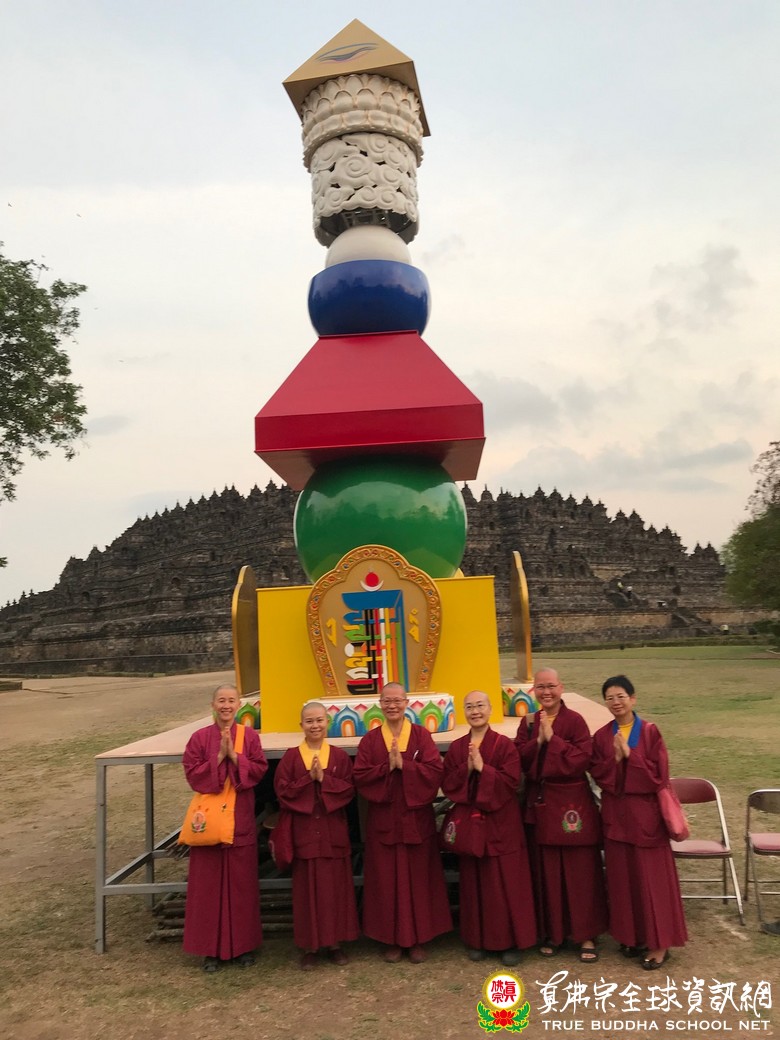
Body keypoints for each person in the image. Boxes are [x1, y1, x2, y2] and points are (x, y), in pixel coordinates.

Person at [590, 674, 688, 970]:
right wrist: (615, 760)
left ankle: (659, 944)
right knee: (622, 880)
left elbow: (659, 776)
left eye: (621, 696)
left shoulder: (649, 732)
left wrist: (630, 757)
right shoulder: (601, 736)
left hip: (646, 818)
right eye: (610, 698)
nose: (616, 702)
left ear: (633, 699)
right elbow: (598, 773)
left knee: (652, 882)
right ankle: (630, 937)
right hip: (616, 817)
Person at [353, 682, 452, 962]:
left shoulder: (421, 736)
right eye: (387, 701)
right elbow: (361, 776)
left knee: (419, 879)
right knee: (385, 881)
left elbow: (435, 772)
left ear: (407, 703)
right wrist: (387, 767)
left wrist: (404, 766)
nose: (392, 705)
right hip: (384, 821)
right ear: (380, 705)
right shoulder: (371, 740)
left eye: (397, 700)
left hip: (415, 820)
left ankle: (418, 937)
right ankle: (392, 938)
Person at [515, 668, 607, 962]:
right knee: (547, 872)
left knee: (581, 872)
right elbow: (519, 759)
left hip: (571, 804)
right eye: (540, 687)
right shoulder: (529, 722)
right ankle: (552, 933)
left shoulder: (575, 720)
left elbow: (582, 759)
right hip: (541, 801)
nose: (546, 692)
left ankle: (586, 935)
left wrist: (553, 741)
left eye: (551, 686)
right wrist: (538, 741)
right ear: (534, 691)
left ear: (561, 688)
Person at [442, 690, 537, 965]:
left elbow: (512, 783)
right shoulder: (458, 747)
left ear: (490, 708)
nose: (475, 711)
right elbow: (448, 783)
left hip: (501, 823)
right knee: (474, 882)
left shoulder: (504, 745)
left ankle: (510, 943)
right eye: (469, 707)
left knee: (506, 882)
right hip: (472, 825)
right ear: (464, 712)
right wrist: (467, 769)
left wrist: (484, 769)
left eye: (480, 706)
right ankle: (478, 940)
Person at [182, 683, 268, 972]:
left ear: (239, 705)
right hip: (208, 821)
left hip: (239, 818)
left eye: (231, 700)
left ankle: (242, 947)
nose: (226, 706)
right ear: (213, 705)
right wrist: (218, 757)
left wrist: (235, 757)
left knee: (241, 885)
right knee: (208, 887)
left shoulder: (249, 736)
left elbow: (259, 770)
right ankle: (211, 950)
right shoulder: (199, 738)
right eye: (221, 700)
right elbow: (192, 775)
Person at [274, 700, 359, 970]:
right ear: (301, 725)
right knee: (306, 893)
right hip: (305, 834)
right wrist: (307, 780)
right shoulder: (291, 757)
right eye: (309, 721)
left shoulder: (339, 756)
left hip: (332, 833)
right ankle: (310, 947)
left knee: (335, 891)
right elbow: (282, 792)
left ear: (328, 723)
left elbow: (349, 790)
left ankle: (335, 944)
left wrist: (324, 780)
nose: (315, 725)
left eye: (319, 720)